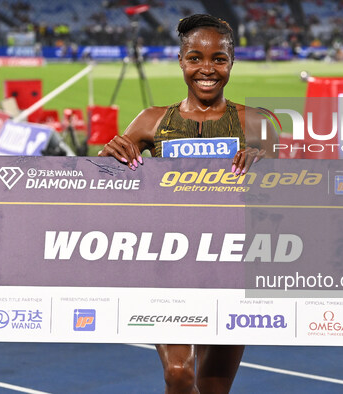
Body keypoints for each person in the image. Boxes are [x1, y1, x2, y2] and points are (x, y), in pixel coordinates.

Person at [98, 14, 278, 393]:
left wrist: (267, 162)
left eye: (219, 59)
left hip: (231, 267)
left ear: (232, 63)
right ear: (181, 61)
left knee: (214, 389)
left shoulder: (256, 123)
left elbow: (286, 198)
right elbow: (106, 186)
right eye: (195, 58)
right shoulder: (151, 121)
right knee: (178, 374)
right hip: (169, 266)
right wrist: (109, 155)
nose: (207, 69)